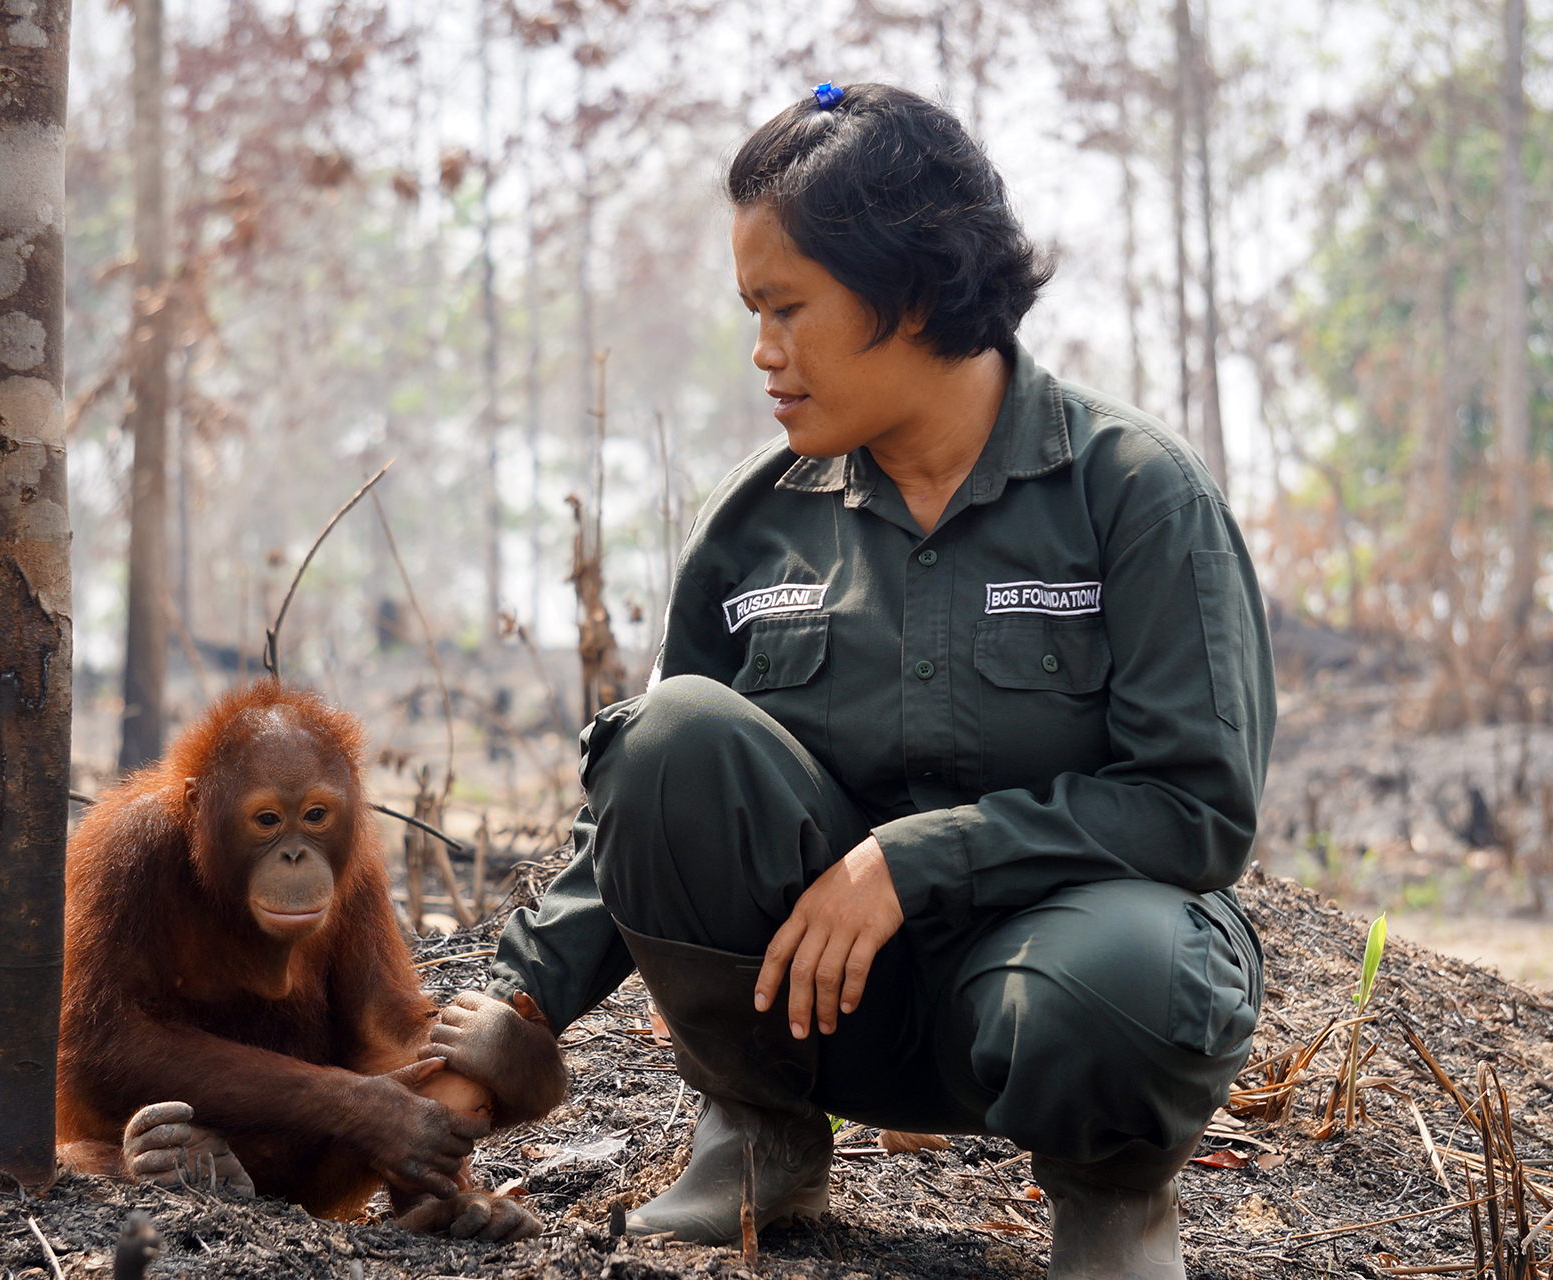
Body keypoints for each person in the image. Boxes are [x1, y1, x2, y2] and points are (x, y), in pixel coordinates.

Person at [424, 82, 1270, 1280]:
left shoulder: (1134, 493)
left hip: (1053, 992)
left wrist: (912, 858)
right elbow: (647, 807)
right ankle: (760, 1137)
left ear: (911, 291)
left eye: (788, 308)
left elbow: (1198, 807)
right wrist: (518, 1016)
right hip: (816, 1007)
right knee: (668, 730)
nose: (763, 351)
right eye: (751, 311)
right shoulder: (753, 521)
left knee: (1133, 965)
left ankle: (1110, 1205)